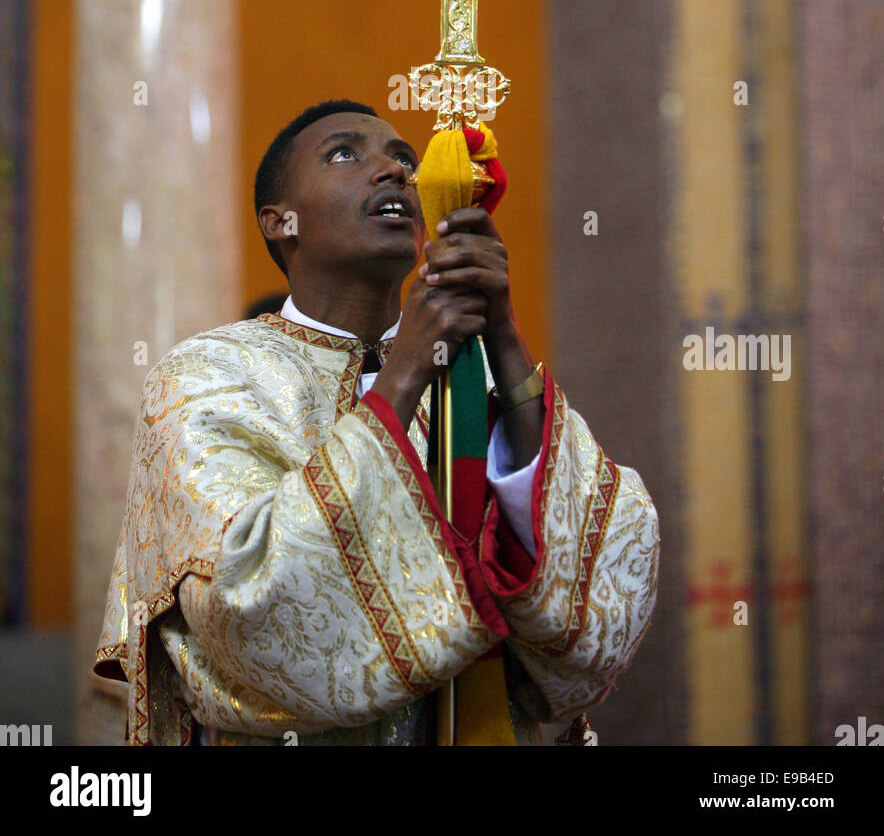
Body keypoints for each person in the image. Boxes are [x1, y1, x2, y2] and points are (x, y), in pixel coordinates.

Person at [94, 99, 659, 745]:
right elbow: (242, 598)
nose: (394, 173)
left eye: (405, 161)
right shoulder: (208, 374)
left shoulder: (472, 371)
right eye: (345, 154)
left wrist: (502, 335)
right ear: (280, 221)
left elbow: (605, 581)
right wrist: (404, 372)